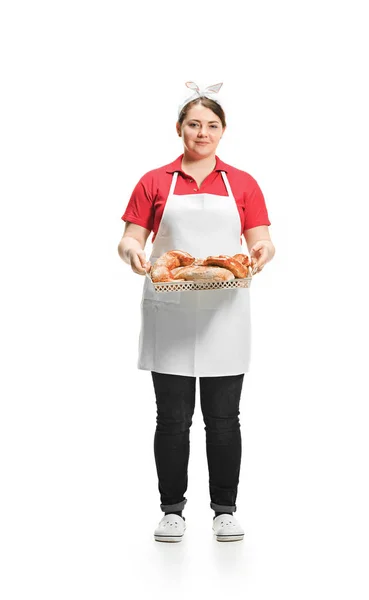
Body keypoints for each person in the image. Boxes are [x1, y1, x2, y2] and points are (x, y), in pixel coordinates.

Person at [118, 81, 275, 543]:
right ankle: (172, 511)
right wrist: (131, 253)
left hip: (226, 311)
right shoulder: (154, 180)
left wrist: (262, 253)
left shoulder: (242, 183)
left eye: (211, 125)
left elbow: (261, 239)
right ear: (179, 129)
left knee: (225, 418)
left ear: (223, 131)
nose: (202, 133)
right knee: (172, 418)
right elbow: (131, 237)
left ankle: (224, 510)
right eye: (194, 124)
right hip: (170, 310)